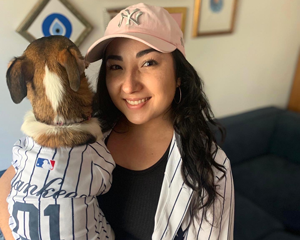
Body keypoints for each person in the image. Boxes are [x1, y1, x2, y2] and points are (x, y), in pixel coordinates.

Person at [0, 3, 234, 240]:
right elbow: (6, 185)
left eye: (148, 63)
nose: (130, 85)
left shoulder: (211, 168)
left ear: (179, 76)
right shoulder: (80, 130)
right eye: (116, 66)